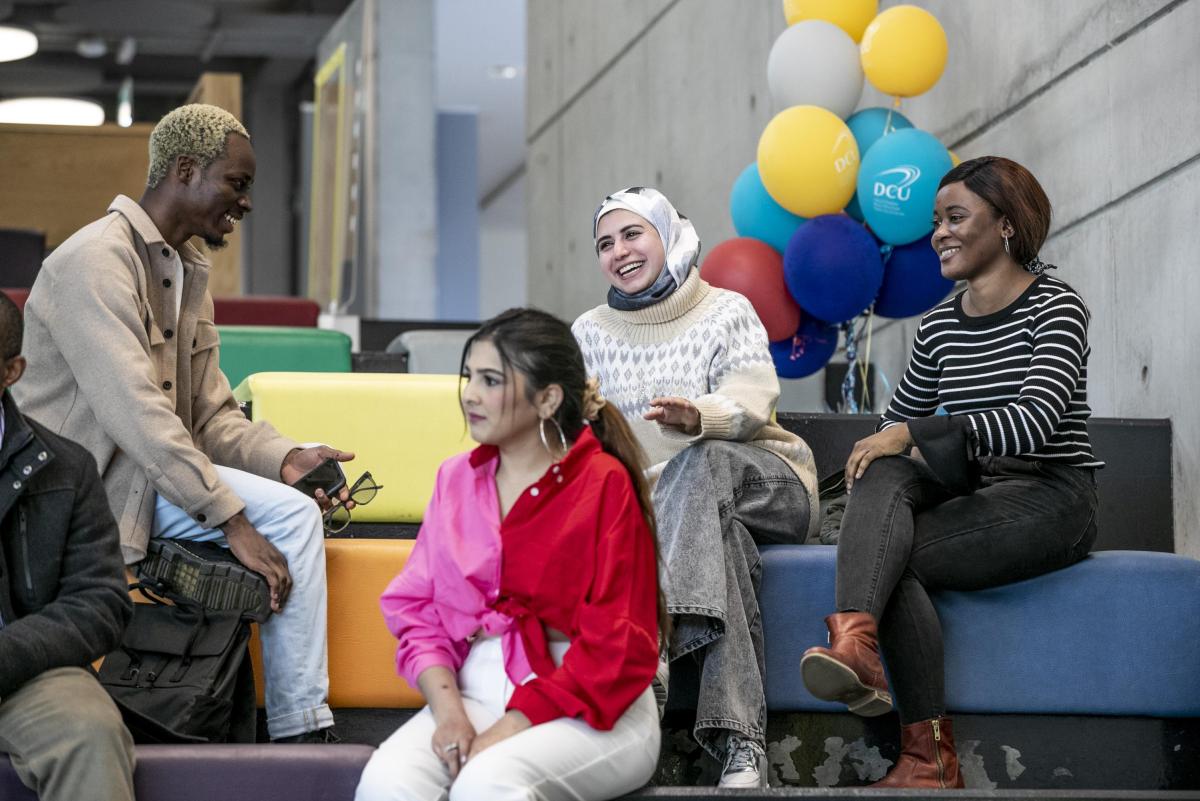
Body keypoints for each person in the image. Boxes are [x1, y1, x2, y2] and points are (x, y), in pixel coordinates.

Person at [13, 103, 354, 743]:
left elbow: (210, 415)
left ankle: (292, 725)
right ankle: (299, 732)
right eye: (238, 183)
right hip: (84, 494)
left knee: (291, 502)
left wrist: (286, 459)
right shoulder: (93, 261)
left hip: (145, 478)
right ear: (187, 169)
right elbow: (138, 413)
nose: (246, 203)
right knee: (288, 518)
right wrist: (231, 518)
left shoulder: (184, 267)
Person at [800, 156, 1103, 788]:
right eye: (935, 220)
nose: (938, 232)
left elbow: (1036, 421)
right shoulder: (939, 323)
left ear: (1007, 225)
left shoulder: (1057, 307)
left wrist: (915, 434)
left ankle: (927, 757)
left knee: (899, 553)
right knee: (884, 468)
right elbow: (893, 432)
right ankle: (854, 642)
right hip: (975, 486)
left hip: (1052, 495)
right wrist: (892, 443)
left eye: (956, 217)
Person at [355, 308, 664, 801]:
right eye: (468, 377)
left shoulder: (604, 483)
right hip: (473, 688)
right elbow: (419, 612)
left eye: (491, 380)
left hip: (593, 701)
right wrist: (449, 712)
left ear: (547, 399)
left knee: (487, 781)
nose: (470, 395)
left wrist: (510, 727)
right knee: (386, 782)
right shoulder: (455, 479)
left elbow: (620, 644)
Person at [572, 187, 818, 788]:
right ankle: (741, 747)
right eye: (606, 243)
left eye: (633, 234)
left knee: (701, 464)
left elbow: (752, 402)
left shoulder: (725, 308)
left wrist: (698, 419)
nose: (619, 252)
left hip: (767, 481)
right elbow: (575, 439)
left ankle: (648, 655)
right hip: (678, 514)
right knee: (722, 543)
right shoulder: (587, 333)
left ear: (668, 235)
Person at [0, 292, 136, 801]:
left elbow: (99, 603)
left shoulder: (66, 468)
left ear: (12, 371)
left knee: (90, 732)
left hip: (23, 674)